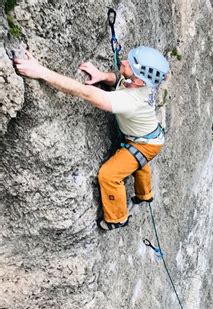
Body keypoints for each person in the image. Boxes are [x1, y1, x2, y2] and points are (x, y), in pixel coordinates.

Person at [14, 46, 169, 230]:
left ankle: (117, 217)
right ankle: (145, 194)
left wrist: (41, 72)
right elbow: (121, 79)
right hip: (149, 137)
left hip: (145, 144)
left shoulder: (131, 101)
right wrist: (103, 76)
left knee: (109, 175)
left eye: (130, 65)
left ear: (139, 82)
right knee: (138, 162)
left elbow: (83, 92)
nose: (124, 62)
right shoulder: (142, 83)